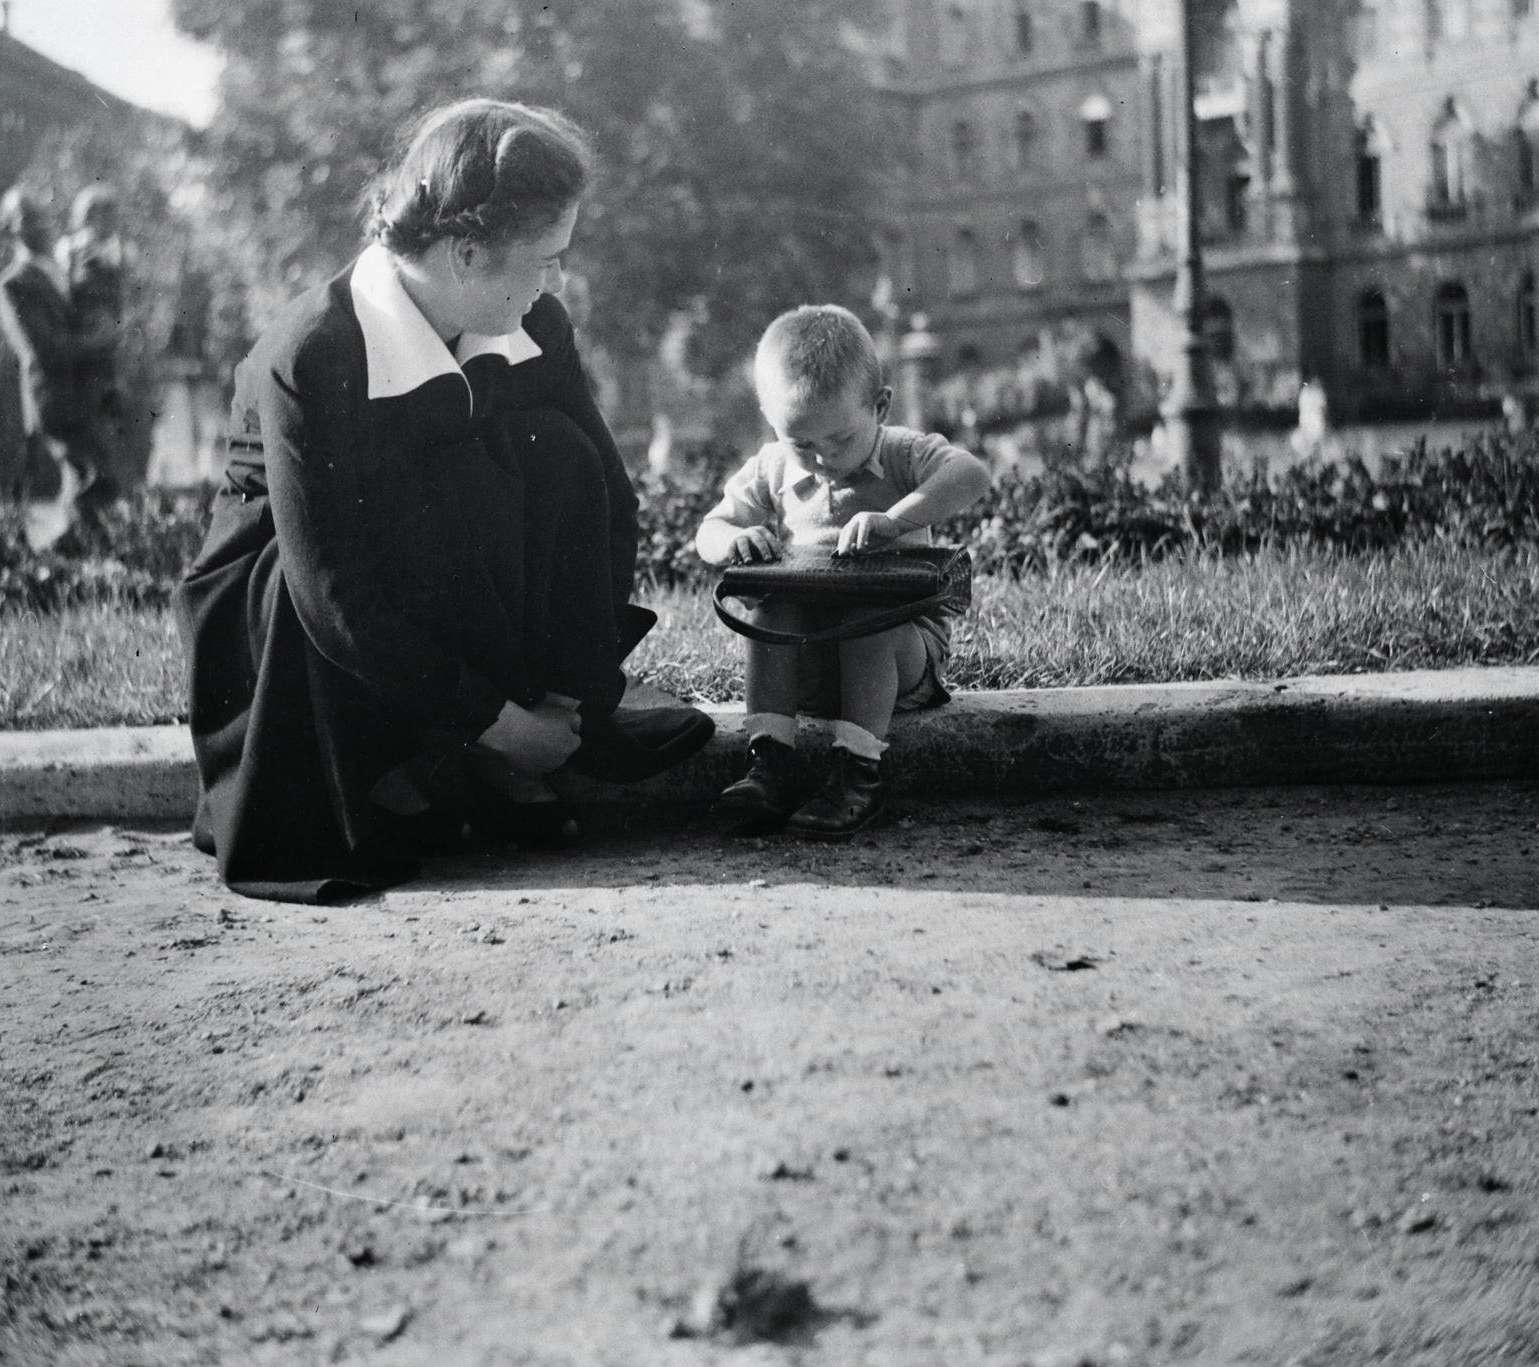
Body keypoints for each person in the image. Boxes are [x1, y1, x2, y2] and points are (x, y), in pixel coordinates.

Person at [175, 98, 712, 903]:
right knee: (417, 495)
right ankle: (416, 760)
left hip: (434, 590)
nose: (556, 282)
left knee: (553, 455)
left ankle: (530, 749)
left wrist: (565, 697)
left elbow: (607, 496)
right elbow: (333, 596)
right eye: (544, 259)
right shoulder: (316, 352)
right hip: (295, 605)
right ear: (465, 253)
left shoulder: (536, 324)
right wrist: (495, 720)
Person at [695, 305, 992, 837]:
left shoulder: (900, 452)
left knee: (867, 613)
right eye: (803, 444)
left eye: (840, 440)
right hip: (812, 662)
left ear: (879, 406)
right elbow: (709, 530)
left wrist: (894, 519)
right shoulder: (773, 468)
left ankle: (858, 771)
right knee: (773, 605)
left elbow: (971, 474)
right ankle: (770, 762)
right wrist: (734, 539)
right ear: (772, 419)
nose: (823, 459)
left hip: (900, 664)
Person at [0, 189, 112, 544]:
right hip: (54, 399)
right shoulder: (13, 283)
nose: (40, 225)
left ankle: (79, 558)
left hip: (80, 393)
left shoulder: (59, 269)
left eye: (41, 216)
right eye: (27, 219)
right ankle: (74, 558)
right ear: (11, 229)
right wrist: (98, 341)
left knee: (87, 479)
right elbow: (44, 349)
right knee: (90, 477)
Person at [58, 184, 128, 488]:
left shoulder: (118, 252)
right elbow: (62, 300)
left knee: (109, 427)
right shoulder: (70, 250)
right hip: (82, 350)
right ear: (89, 215)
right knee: (86, 433)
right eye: (105, 213)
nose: (112, 220)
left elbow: (124, 301)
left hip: (110, 351)